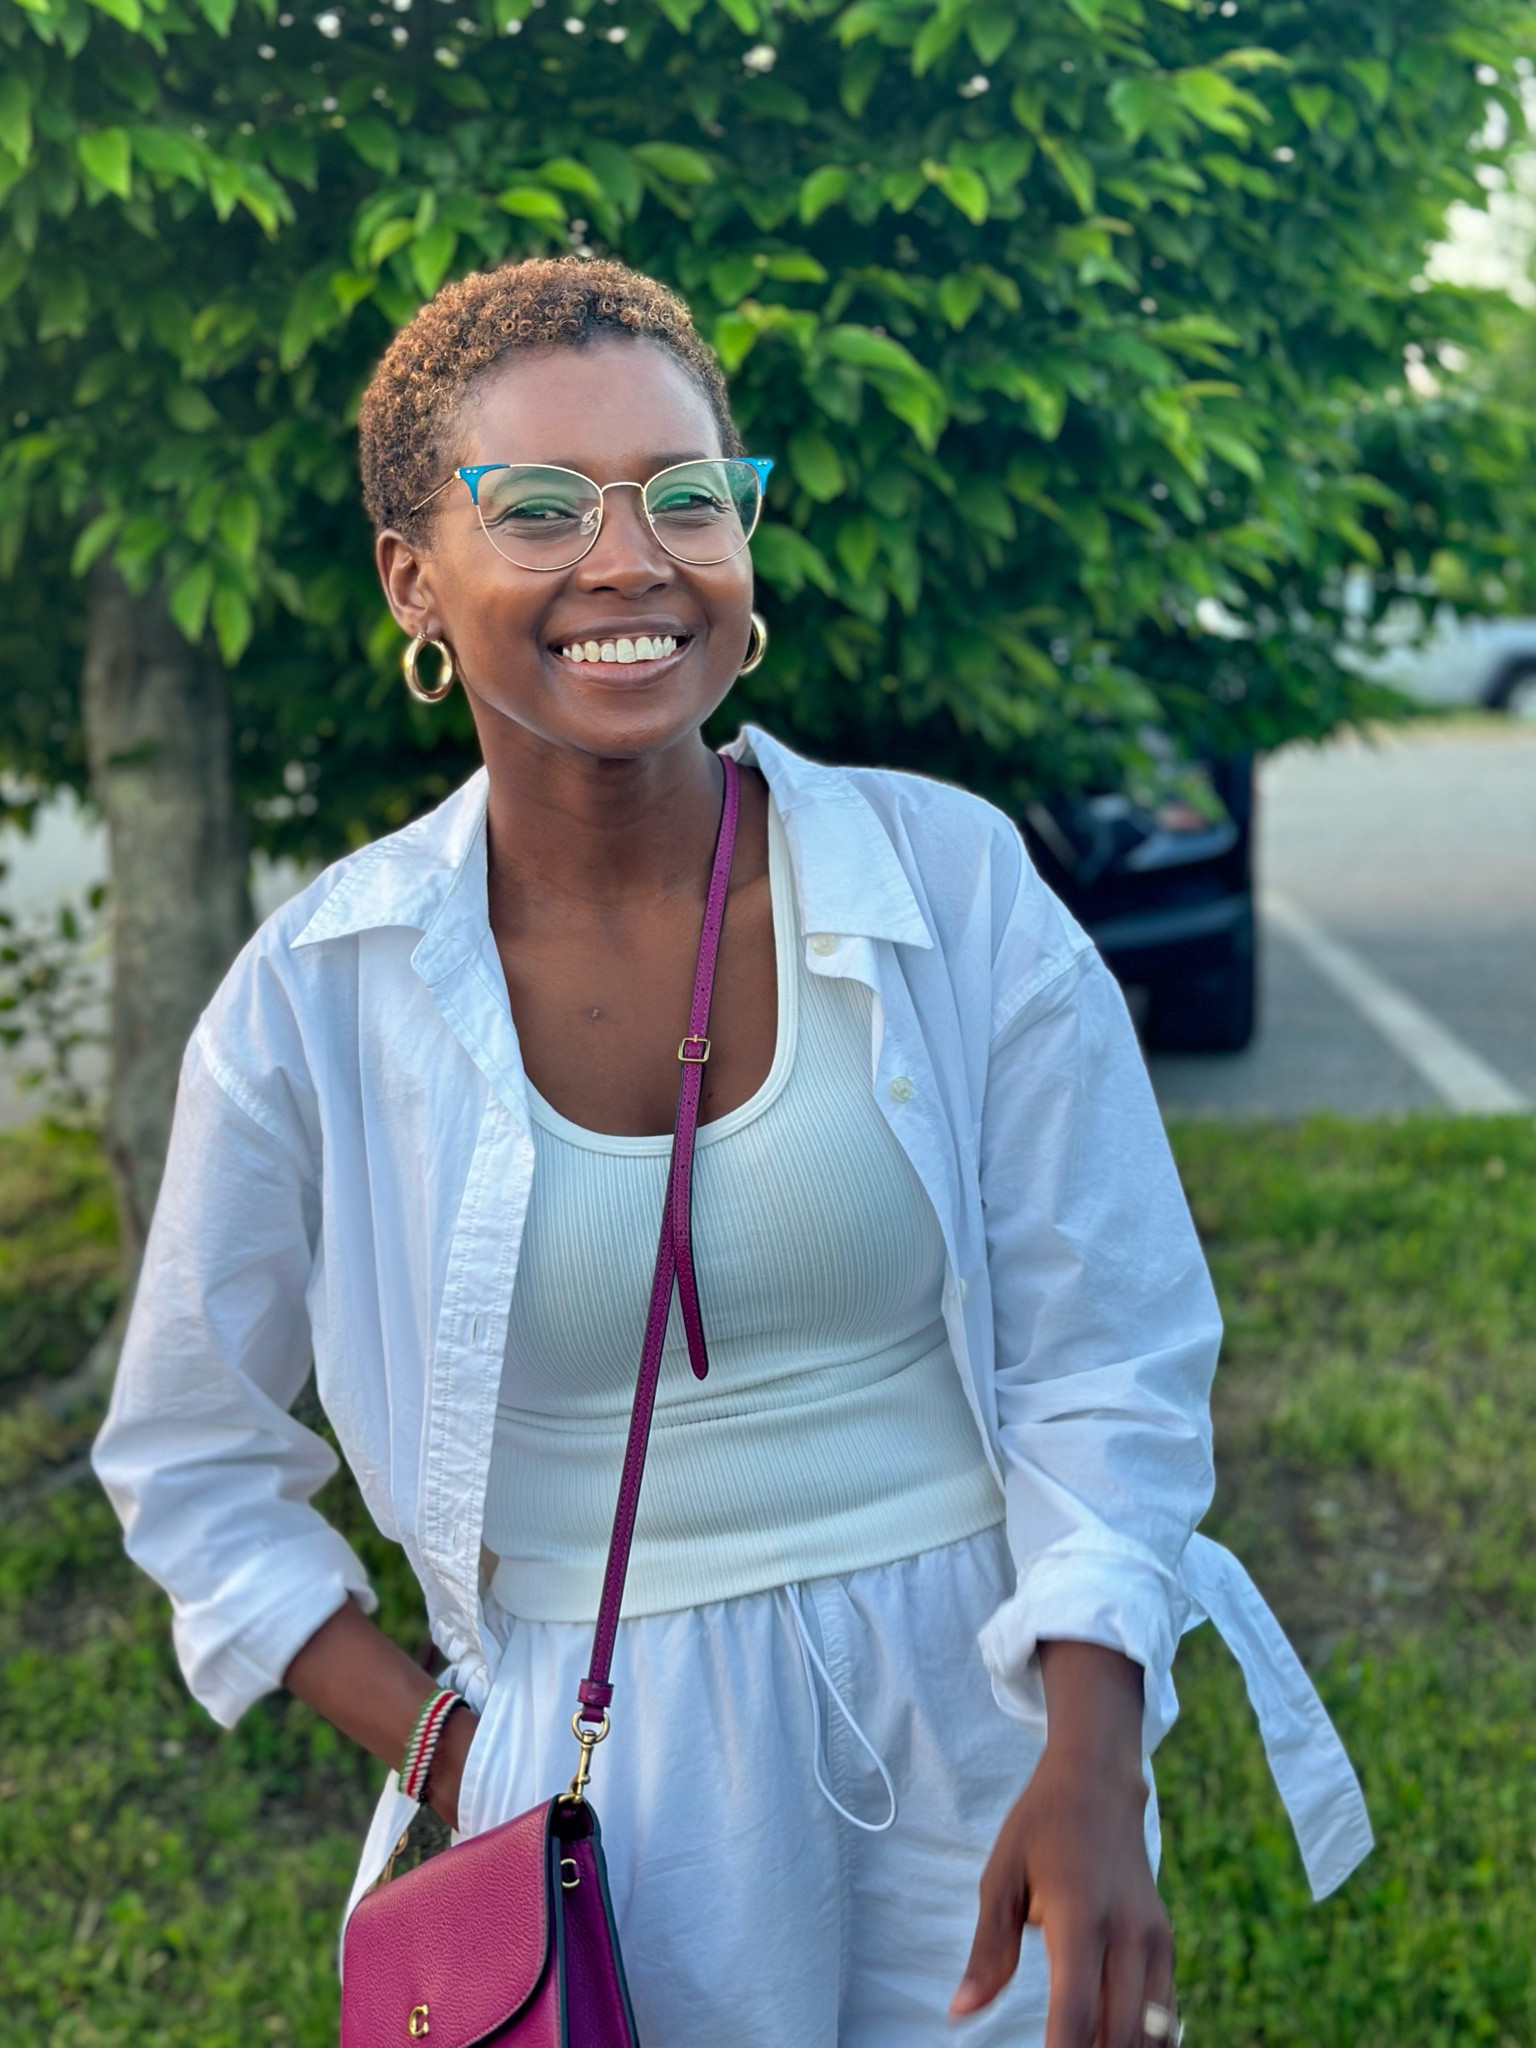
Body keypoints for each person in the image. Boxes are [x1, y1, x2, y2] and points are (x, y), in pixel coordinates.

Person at [93, 257, 1369, 2048]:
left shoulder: (942, 885)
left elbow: (1111, 1345)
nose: (631, 562)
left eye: (688, 496)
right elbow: (192, 1459)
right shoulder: (326, 993)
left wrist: (1089, 1749)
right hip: (601, 1785)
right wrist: (459, 1750)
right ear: (416, 580)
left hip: (979, 1717)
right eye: (536, 508)